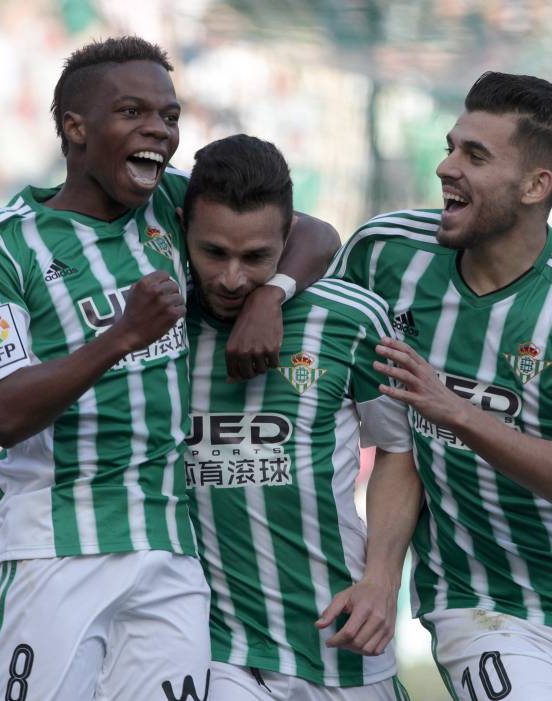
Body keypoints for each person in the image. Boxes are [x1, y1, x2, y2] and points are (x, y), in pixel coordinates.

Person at [0, 36, 337, 700]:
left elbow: (313, 232)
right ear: (76, 127)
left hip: (169, 550)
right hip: (56, 546)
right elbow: (5, 412)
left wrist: (271, 296)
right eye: (133, 112)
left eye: (170, 115)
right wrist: (122, 336)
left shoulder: (170, 203)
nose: (160, 129)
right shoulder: (0, 241)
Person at [328, 72, 552, 700]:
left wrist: (452, 409)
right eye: (450, 147)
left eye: (475, 156)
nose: (446, 167)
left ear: (534, 185)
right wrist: (382, 578)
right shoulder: (385, 252)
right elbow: (399, 445)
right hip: (476, 604)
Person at [182, 133, 422, 700]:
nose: (233, 278)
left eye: (255, 257)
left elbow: (399, 449)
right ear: (182, 231)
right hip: (212, 649)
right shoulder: (159, 323)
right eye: (213, 253)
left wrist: (382, 581)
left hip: (338, 636)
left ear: (287, 239)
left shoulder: (350, 318)